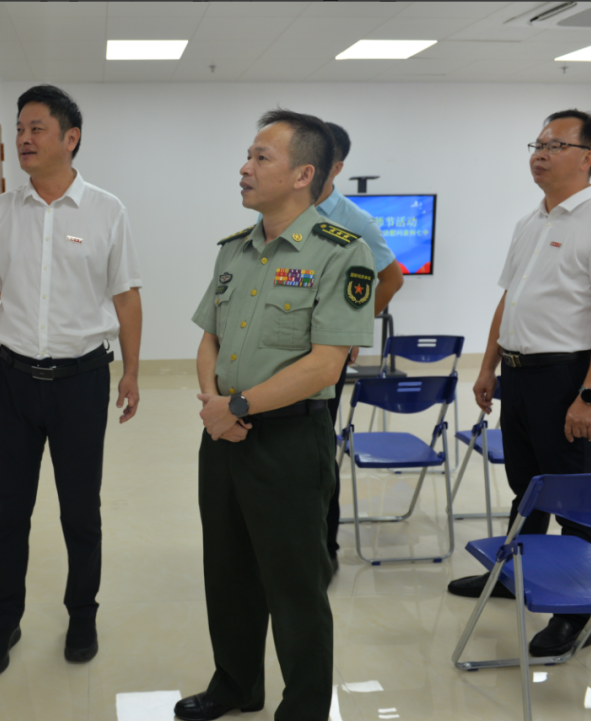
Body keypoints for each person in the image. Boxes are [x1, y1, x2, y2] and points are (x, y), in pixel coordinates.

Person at [178, 110, 375, 721]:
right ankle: (236, 686)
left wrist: (236, 406)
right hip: (223, 435)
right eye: (248, 155)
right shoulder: (234, 250)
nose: (245, 167)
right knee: (227, 572)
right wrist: (215, 406)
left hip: (290, 440)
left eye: (261, 157)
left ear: (303, 174)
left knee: (294, 586)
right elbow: (209, 337)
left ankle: (305, 708)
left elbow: (324, 365)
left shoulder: (342, 252)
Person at [0, 84, 143, 677]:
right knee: (8, 512)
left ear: (71, 137)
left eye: (36, 128)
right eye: (19, 128)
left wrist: (132, 370)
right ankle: (4, 619)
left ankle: (82, 613)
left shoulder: (107, 211)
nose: (23, 139)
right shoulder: (1, 213)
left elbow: (127, 296)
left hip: (81, 382)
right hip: (12, 382)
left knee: (80, 512)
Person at [447, 109, 591, 657]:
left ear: (588, 156)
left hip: (565, 377)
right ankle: (513, 575)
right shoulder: (531, 222)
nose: (540, 154)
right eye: (537, 144)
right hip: (519, 374)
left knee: (574, 499)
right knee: (527, 486)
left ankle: (578, 613)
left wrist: (590, 397)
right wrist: (489, 366)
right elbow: (510, 300)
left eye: (555, 145)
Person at [312, 122, 404, 572]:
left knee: (318, 453)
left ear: (335, 167)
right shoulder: (278, 211)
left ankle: (324, 548)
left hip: (322, 358)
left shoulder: (354, 220)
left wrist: (351, 330)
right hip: (274, 355)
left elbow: (391, 279)